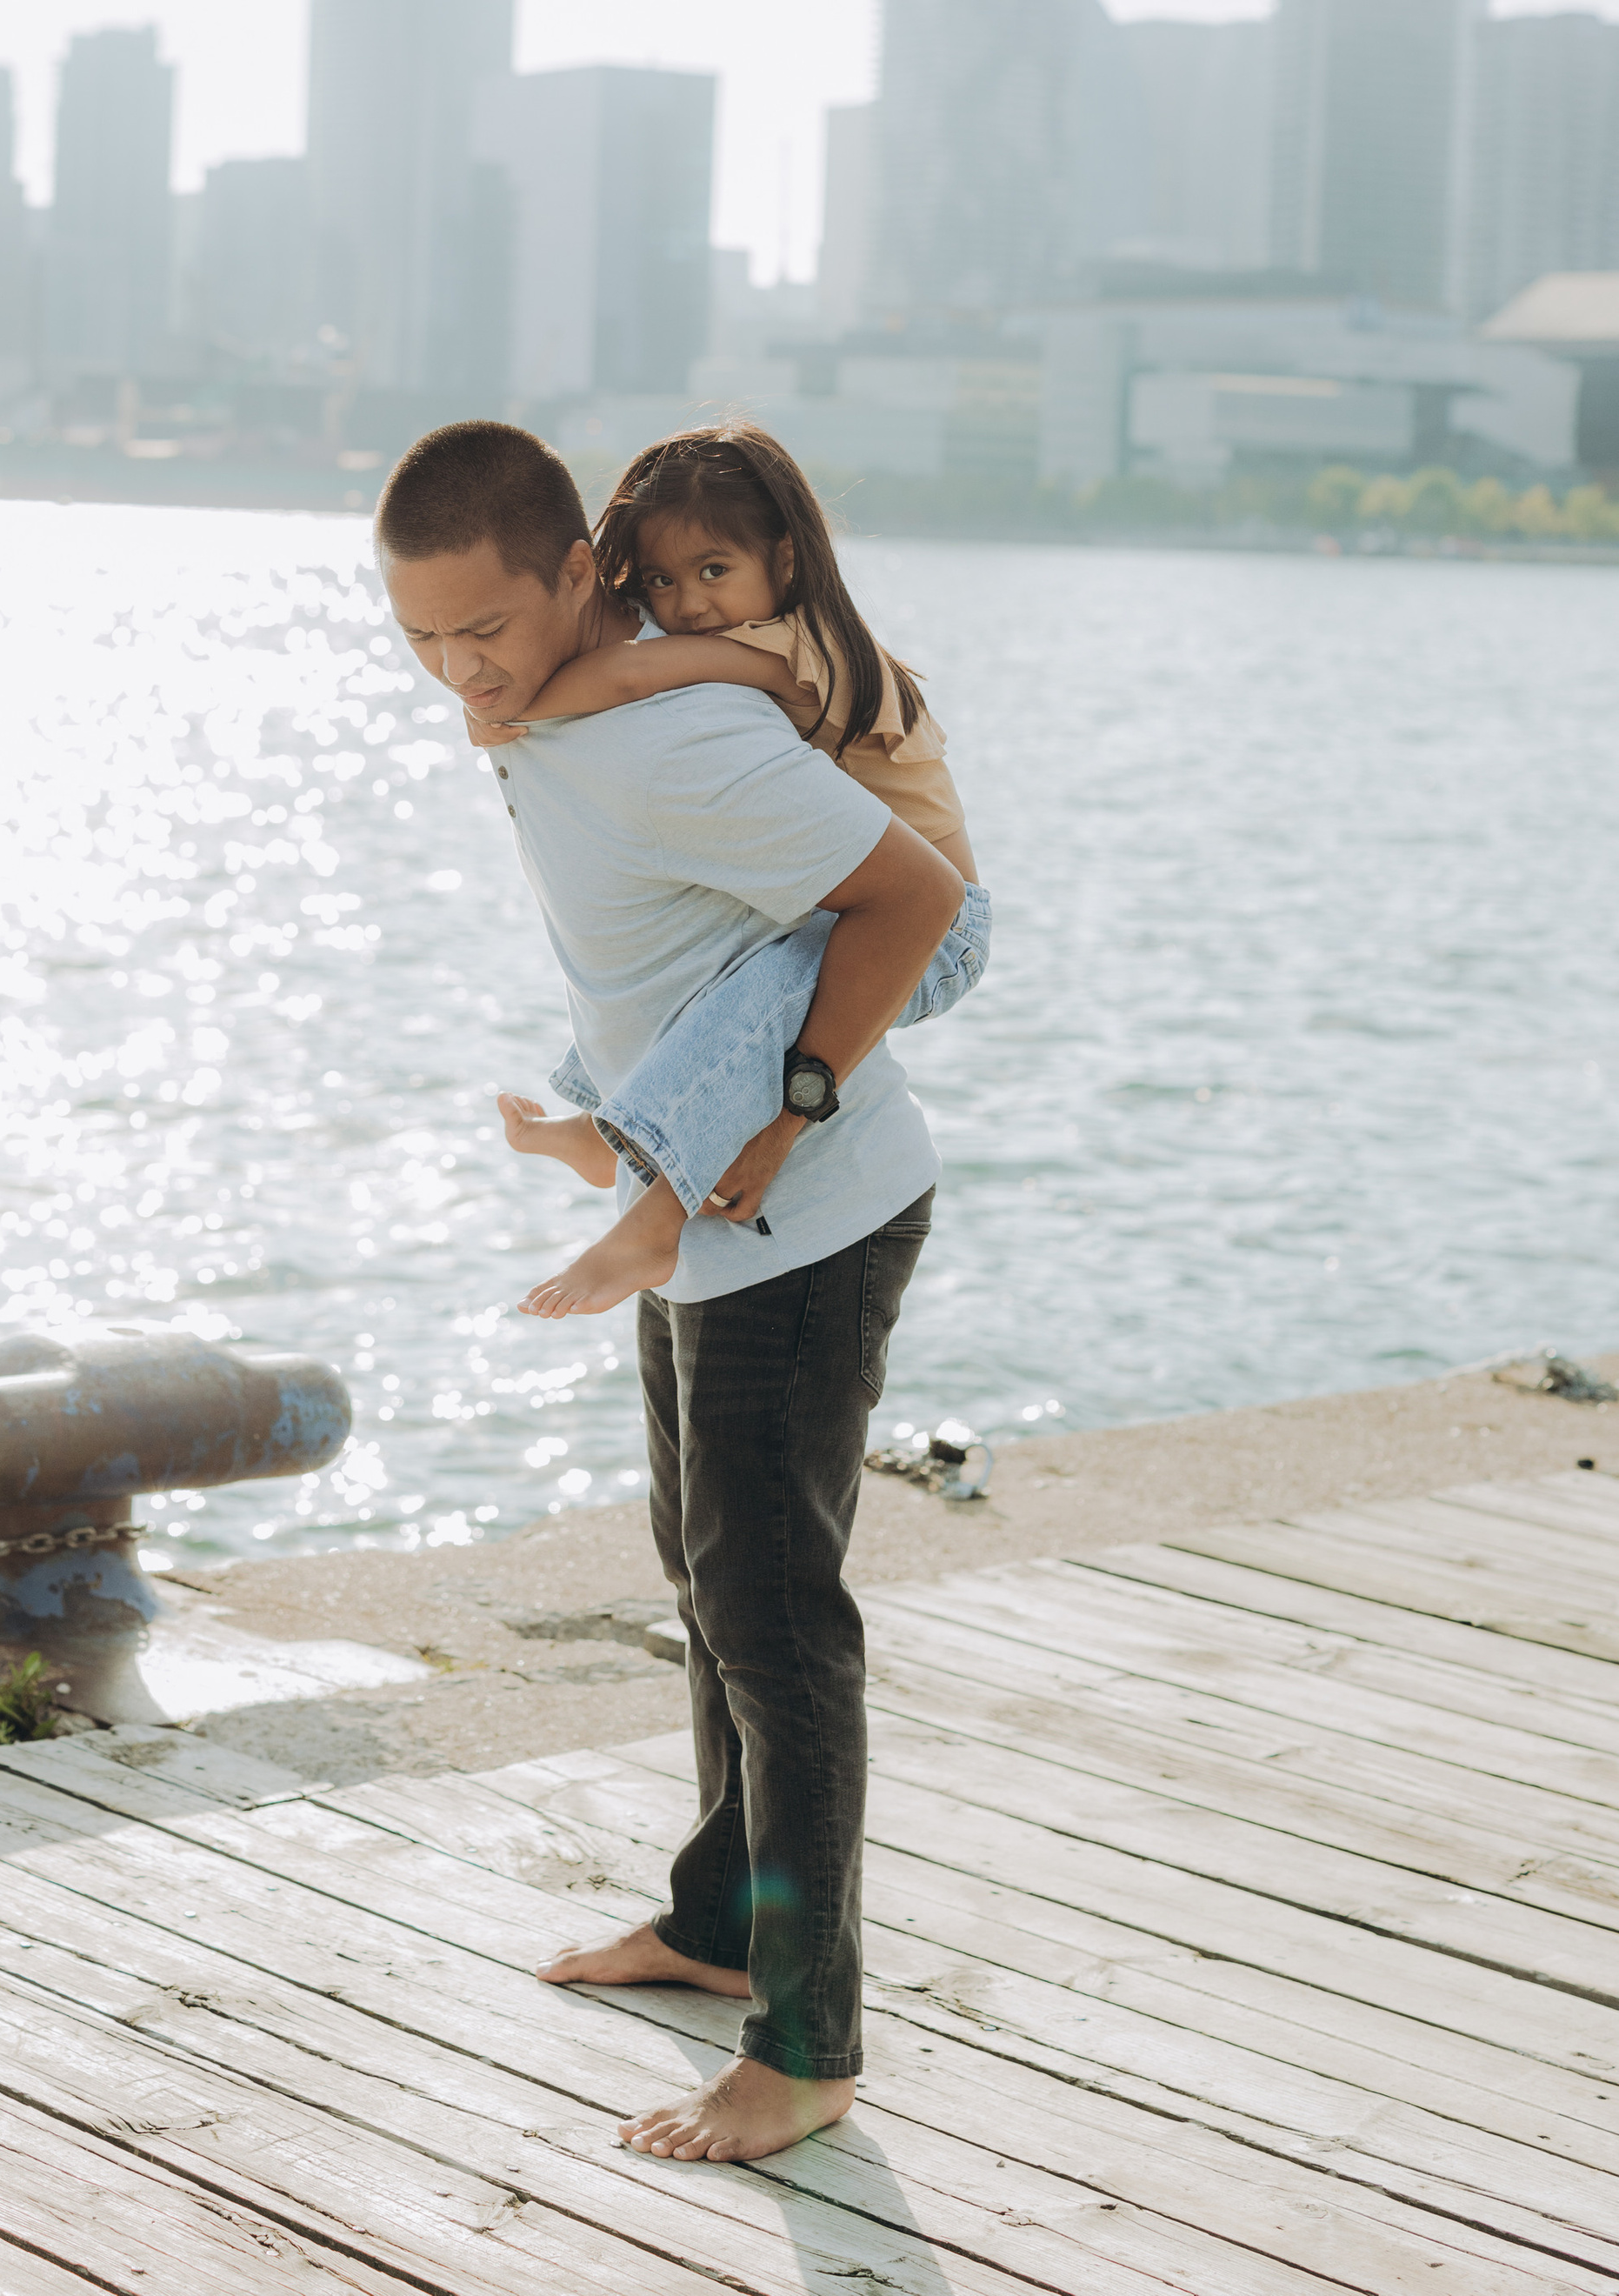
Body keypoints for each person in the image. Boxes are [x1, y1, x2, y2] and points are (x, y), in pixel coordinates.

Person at [376, 418, 962, 2167]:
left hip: (804, 1222)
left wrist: (776, 1127)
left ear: (580, 578)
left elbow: (915, 894)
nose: (454, 670)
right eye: (418, 639)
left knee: (776, 1623)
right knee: (702, 1581)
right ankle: (718, 1926)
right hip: (702, 1215)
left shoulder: (680, 735)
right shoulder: (567, 719)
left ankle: (806, 2047)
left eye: (482, 630)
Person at [475, 425, 984, 1321]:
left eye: (714, 572)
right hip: (876, 901)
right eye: (664, 582)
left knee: (759, 988)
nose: (690, 604)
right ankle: (609, 1131)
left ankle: (657, 1209)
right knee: (703, 973)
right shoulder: (770, 632)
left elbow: (644, 674)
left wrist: (515, 706)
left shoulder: (799, 649)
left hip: (943, 928)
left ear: (784, 560)